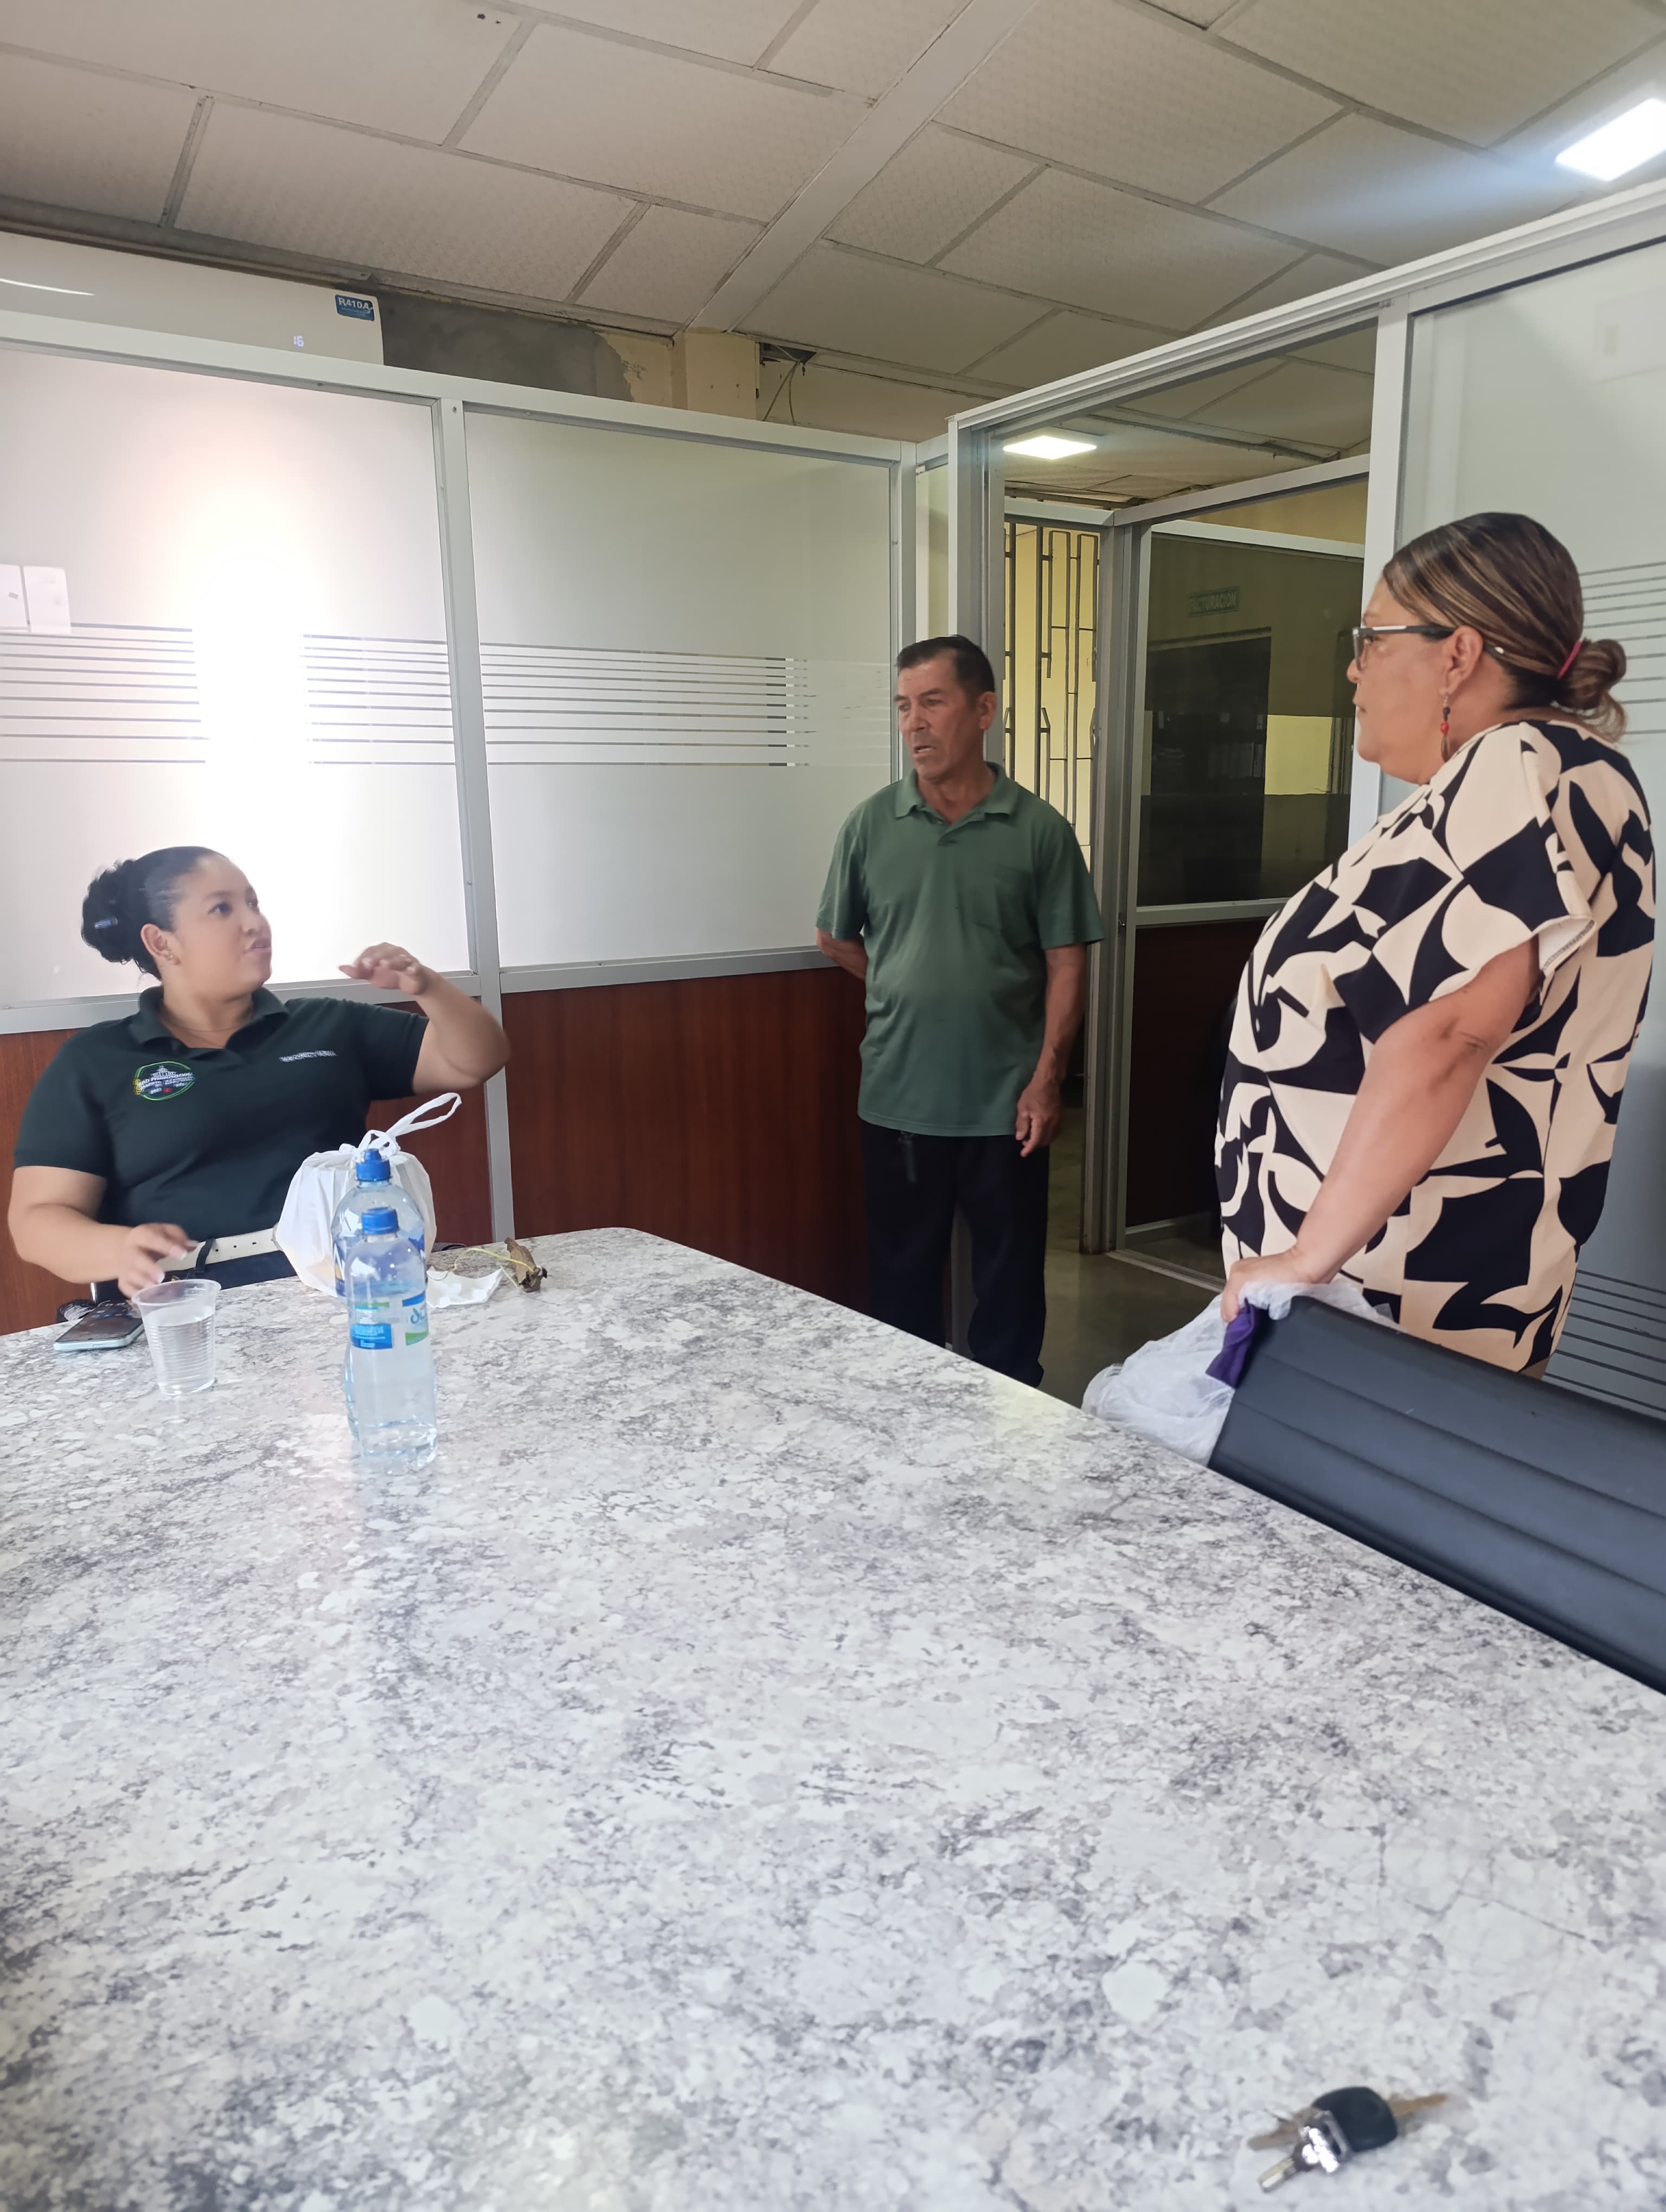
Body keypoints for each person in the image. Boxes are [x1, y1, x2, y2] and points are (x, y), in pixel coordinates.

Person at [1218, 512, 1655, 1373]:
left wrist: (1307, 1260)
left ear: (1458, 655)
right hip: (1406, 1274)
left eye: (1371, 639)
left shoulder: (1517, 764)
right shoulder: (1555, 771)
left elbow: (1452, 1032)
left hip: (1387, 1291)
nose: (1355, 669)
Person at [9, 846, 509, 1301]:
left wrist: (426, 987)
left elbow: (475, 1060)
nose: (254, 922)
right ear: (161, 942)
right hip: (190, 1303)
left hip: (345, 1287)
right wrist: (115, 1248)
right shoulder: (96, 1060)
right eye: (222, 909)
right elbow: (37, 1219)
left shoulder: (327, 1024)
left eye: (253, 903)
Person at [816, 635, 1103, 1385]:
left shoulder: (1038, 830)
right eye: (903, 706)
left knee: (1010, 1285)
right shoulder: (870, 825)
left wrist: (1048, 1079)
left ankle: (1011, 1417)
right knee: (902, 1279)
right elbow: (834, 937)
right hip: (900, 1098)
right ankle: (910, 1413)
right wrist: (899, 982)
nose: (914, 723)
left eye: (932, 702)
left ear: (983, 711)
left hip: (1008, 1104)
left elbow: (1068, 960)